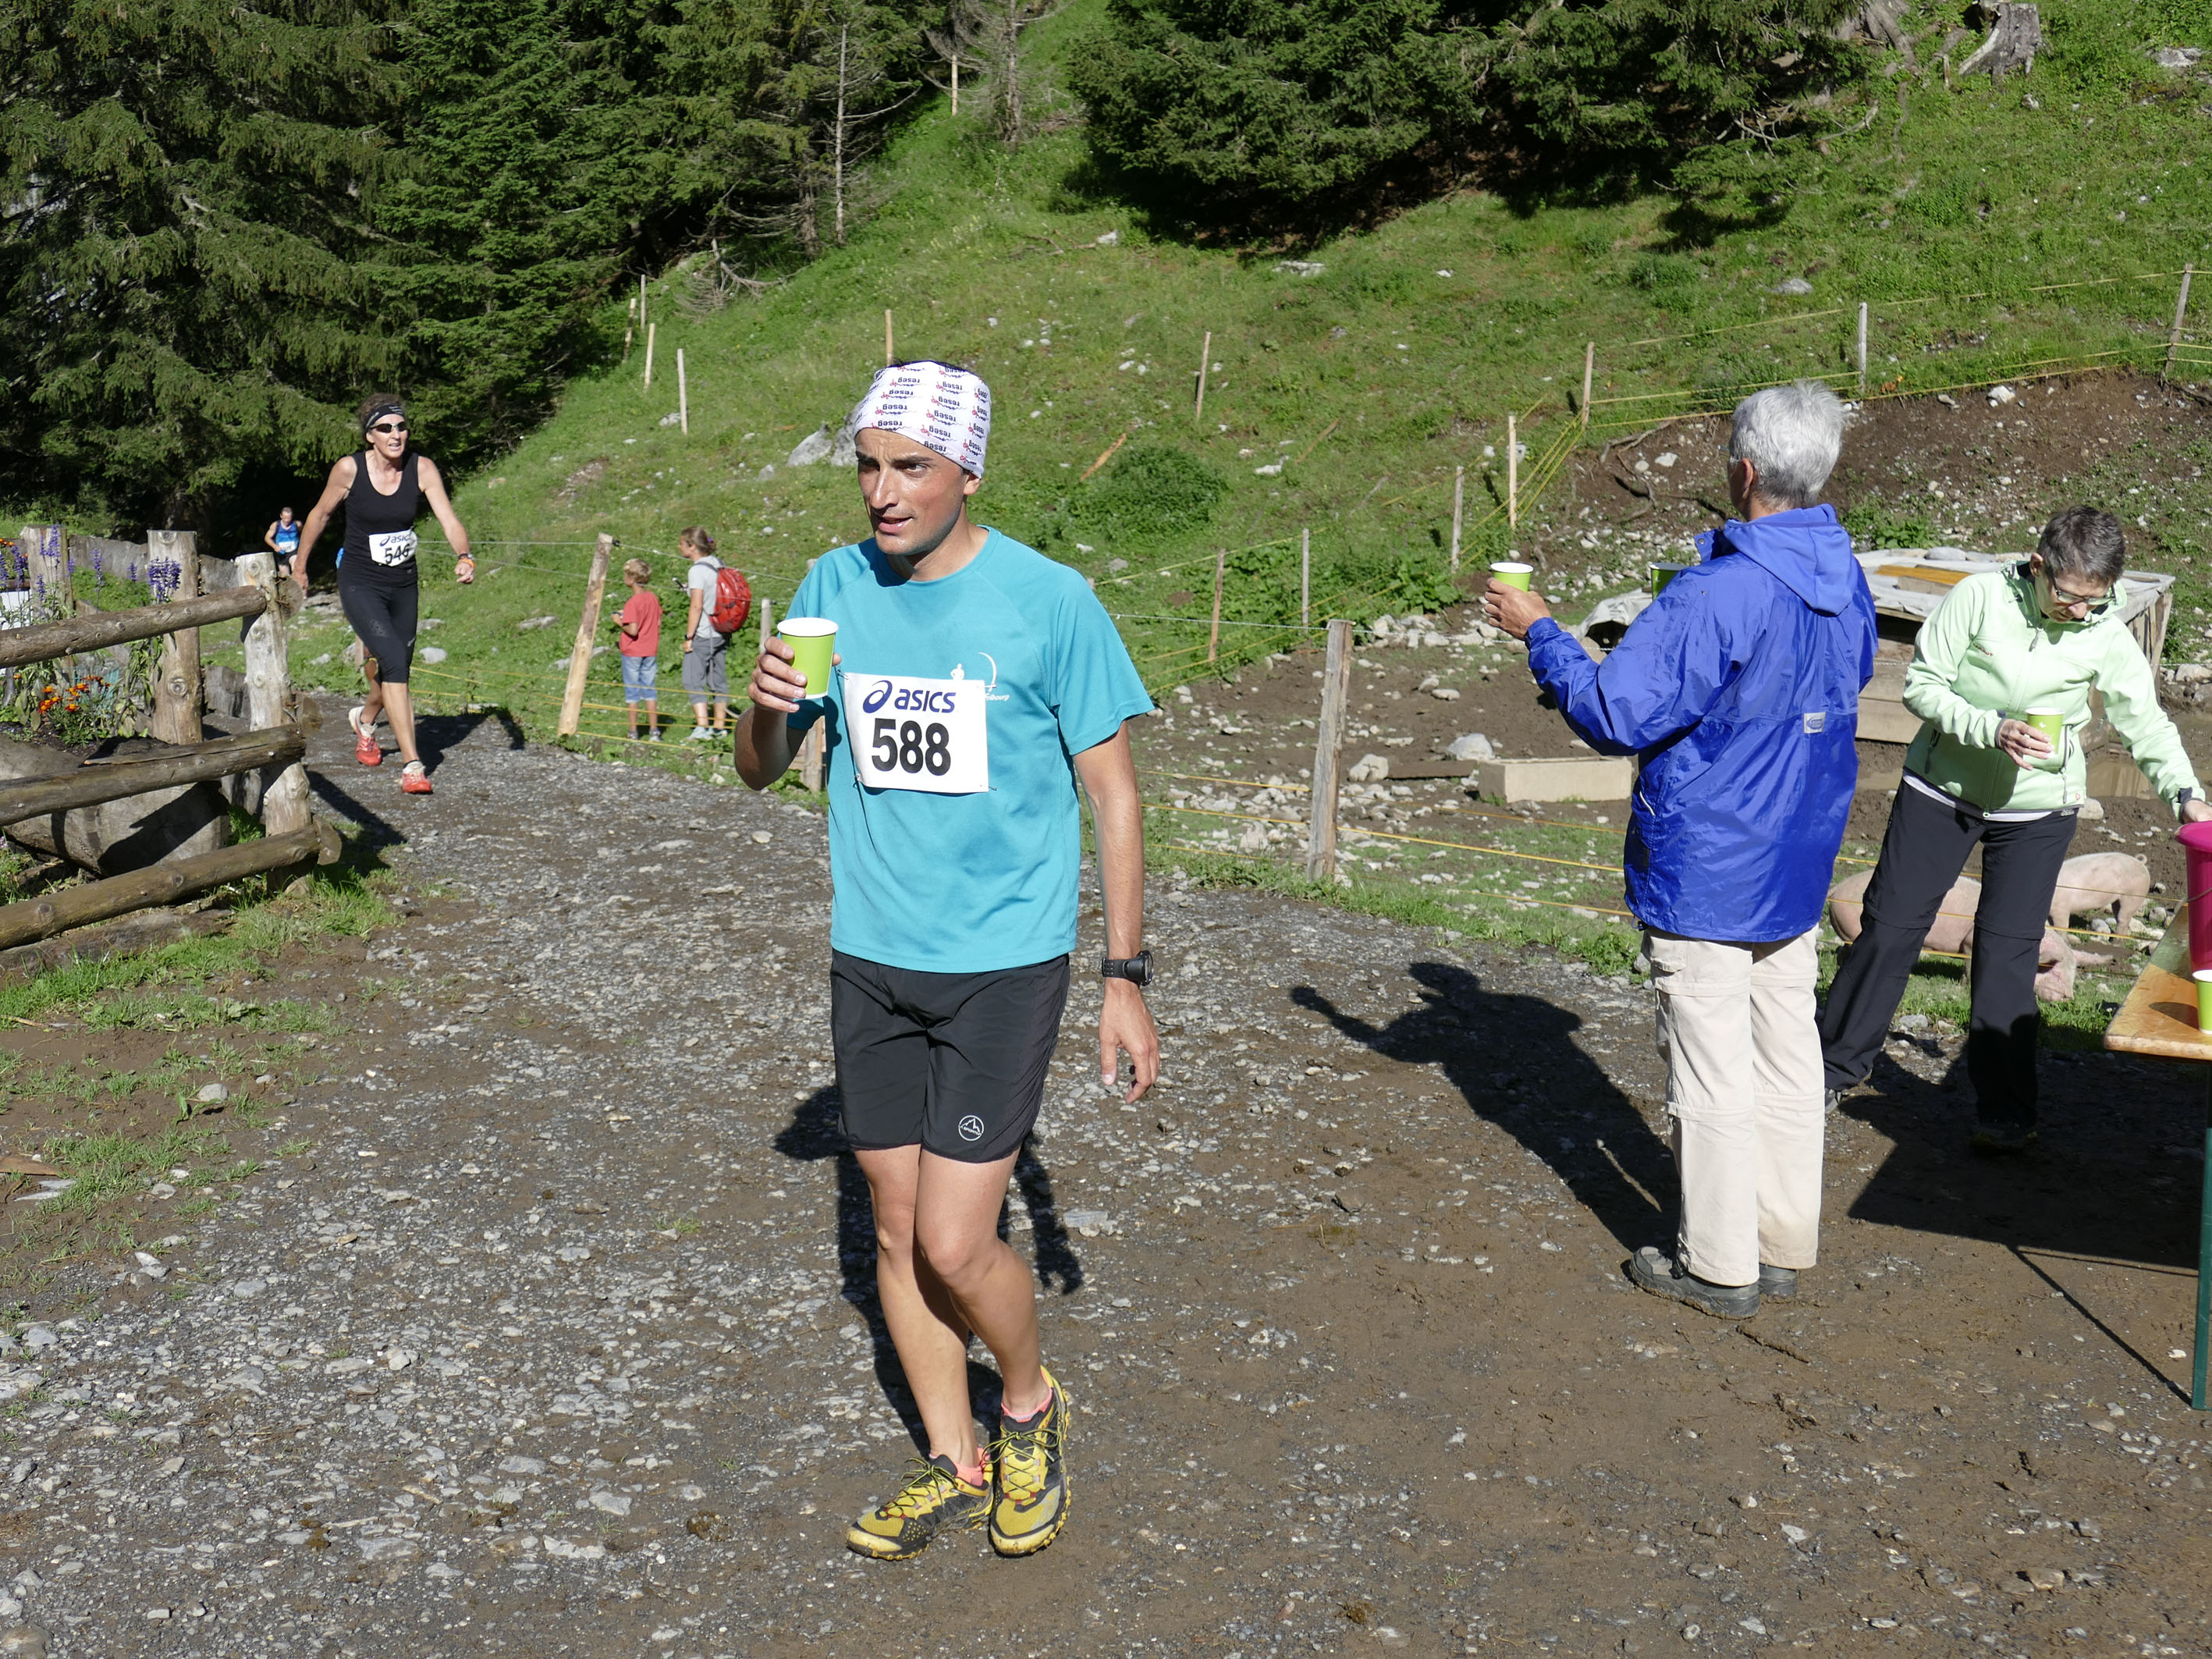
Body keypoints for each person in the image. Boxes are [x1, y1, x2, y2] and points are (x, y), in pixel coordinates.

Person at [734, 360, 1159, 1561]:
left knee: (955, 1242)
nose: (882, 491)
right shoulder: (829, 588)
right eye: (867, 465)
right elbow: (759, 771)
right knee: (891, 1225)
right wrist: (761, 706)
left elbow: (1113, 796)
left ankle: (1025, 1405)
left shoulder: (1049, 601)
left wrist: (1123, 979)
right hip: (870, 957)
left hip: (1002, 966)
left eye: (909, 466)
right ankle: (952, 1458)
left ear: (967, 471)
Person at [1484, 379, 1877, 1320]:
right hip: (1798, 847)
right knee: (1787, 1046)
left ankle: (1720, 1263)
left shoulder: (1718, 590)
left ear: (1742, 471)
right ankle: (1782, 1239)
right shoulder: (1849, 578)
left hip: (1712, 857)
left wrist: (1541, 632)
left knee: (1711, 1064)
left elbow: (1616, 712)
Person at [1819, 506, 2210, 1152]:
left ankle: (2004, 1113)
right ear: (2038, 567)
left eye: (2094, 599)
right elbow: (1922, 687)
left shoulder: (2104, 631)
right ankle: (1831, 1068)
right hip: (1941, 788)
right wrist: (1989, 728)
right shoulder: (1977, 598)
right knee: (1889, 928)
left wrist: (2185, 794)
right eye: (2068, 596)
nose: (2079, 611)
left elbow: (2145, 722)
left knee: (2007, 952)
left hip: (2038, 808)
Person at [294, 396, 474, 795]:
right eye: (385, 428)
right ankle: (413, 766)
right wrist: (301, 567)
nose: (396, 435)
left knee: (397, 667)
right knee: (393, 660)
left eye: (401, 427)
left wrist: (464, 556)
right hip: (360, 581)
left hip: (403, 582)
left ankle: (365, 720)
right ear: (369, 436)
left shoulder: (421, 468)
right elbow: (320, 515)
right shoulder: (349, 469)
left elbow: (448, 519)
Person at [679, 528, 731, 741]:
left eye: (682, 543)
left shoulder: (696, 570)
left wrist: (689, 637)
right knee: (718, 679)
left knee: (692, 679)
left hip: (704, 632)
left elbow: (697, 606)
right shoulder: (717, 563)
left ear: (692, 546)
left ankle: (702, 728)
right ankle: (720, 727)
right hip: (721, 630)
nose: (679, 547)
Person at [615, 556, 663, 741]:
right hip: (649, 650)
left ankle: (633, 732)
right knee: (650, 690)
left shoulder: (632, 602)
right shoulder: (652, 598)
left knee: (632, 692)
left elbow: (633, 630)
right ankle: (654, 731)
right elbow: (657, 621)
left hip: (633, 652)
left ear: (631, 578)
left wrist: (619, 621)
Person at [267, 507, 301, 572]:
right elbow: (267, 538)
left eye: (289, 518)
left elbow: (303, 533)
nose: (286, 520)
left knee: (295, 567)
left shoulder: (297, 525)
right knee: (285, 576)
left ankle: (296, 577)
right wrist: (275, 546)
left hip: (293, 551)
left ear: (292, 517)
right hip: (281, 553)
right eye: (285, 518)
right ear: (281, 516)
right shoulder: (275, 525)